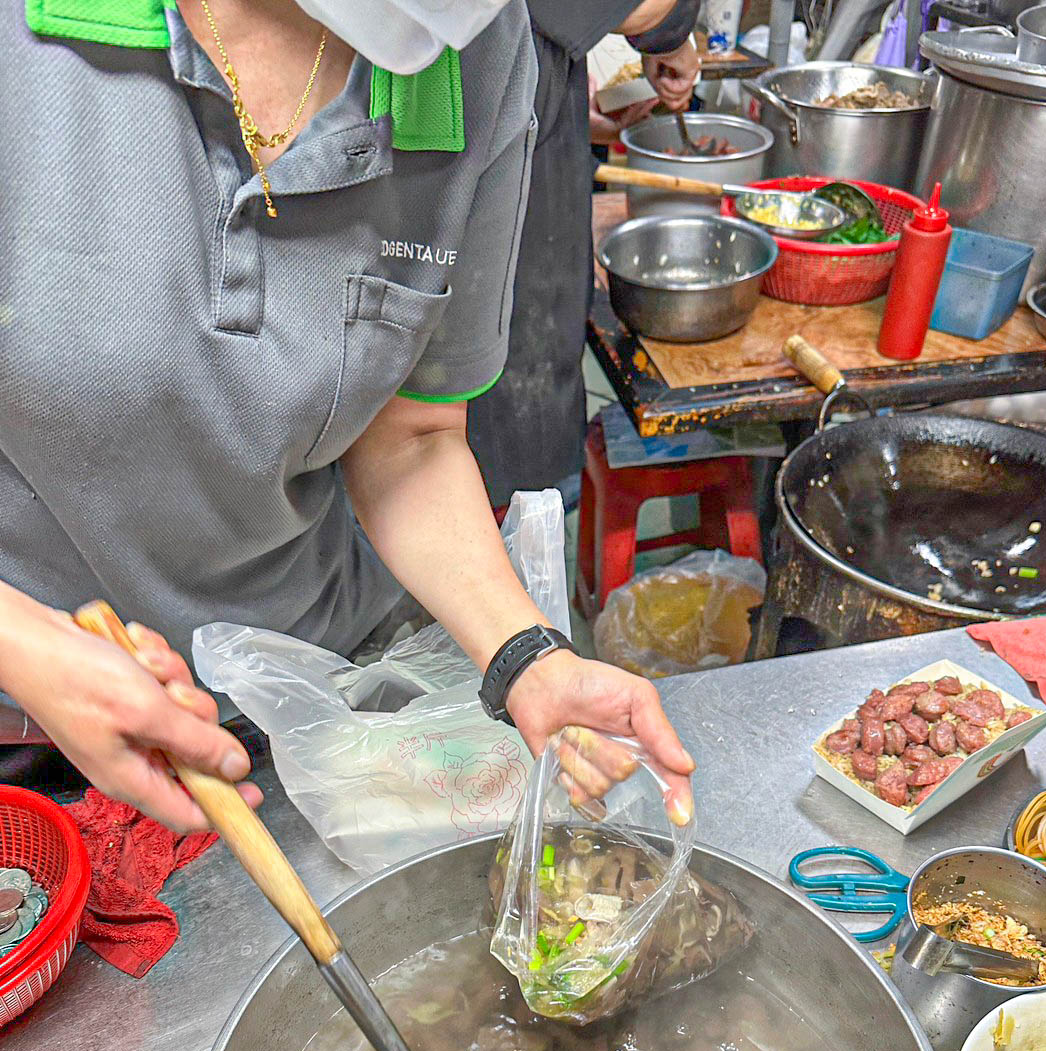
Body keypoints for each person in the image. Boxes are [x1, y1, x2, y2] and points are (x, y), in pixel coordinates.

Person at [0, 0, 693, 834]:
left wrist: (526, 656)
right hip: (26, 737)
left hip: (296, 704)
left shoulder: (477, 47)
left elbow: (411, 442)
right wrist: (29, 647)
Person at [466, 0, 700, 508]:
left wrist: (564, 92)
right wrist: (671, 32)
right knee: (493, 443)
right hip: (493, 194)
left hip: (498, 103)